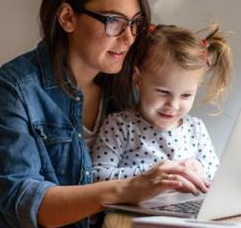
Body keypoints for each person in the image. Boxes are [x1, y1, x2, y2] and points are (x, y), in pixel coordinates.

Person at [0, 0, 209, 227]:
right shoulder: (15, 88)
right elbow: (22, 201)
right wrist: (130, 188)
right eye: (114, 21)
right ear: (68, 18)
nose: (129, 38)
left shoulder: (135, 85)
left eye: (135, 23)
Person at [92, 24, 232, 183]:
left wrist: (199, 168)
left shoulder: (195, 129)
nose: (173, 104)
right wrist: (152, 172)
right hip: (131, 208)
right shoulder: (119, 126)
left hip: (182, 206)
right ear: (138, 80)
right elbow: (97, 176)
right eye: (163, 92)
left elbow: (216, 173)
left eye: (186, 95)